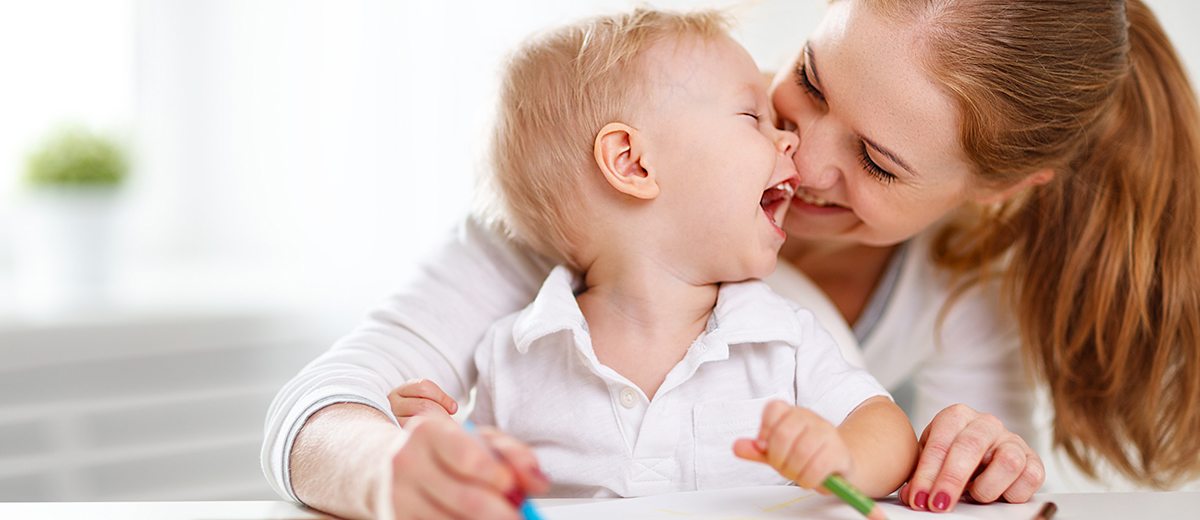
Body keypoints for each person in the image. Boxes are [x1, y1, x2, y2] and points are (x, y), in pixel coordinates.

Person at [263, 0, 1200, 517]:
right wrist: (394, 471)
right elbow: (317, 412)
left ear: (996, 189)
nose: (804, 151)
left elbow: (957, 497)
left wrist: (983, 468)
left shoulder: (966, 291)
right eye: (809, 80)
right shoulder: (582, 210)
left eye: (876, 161)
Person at [399, 8, 915, 500]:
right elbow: (484, 485)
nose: (788, 141)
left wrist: (842, 458)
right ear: (632, 163)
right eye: (752, 117)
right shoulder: (514, 355)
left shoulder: (783, 336)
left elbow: (887, 432)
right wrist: (436, 444)